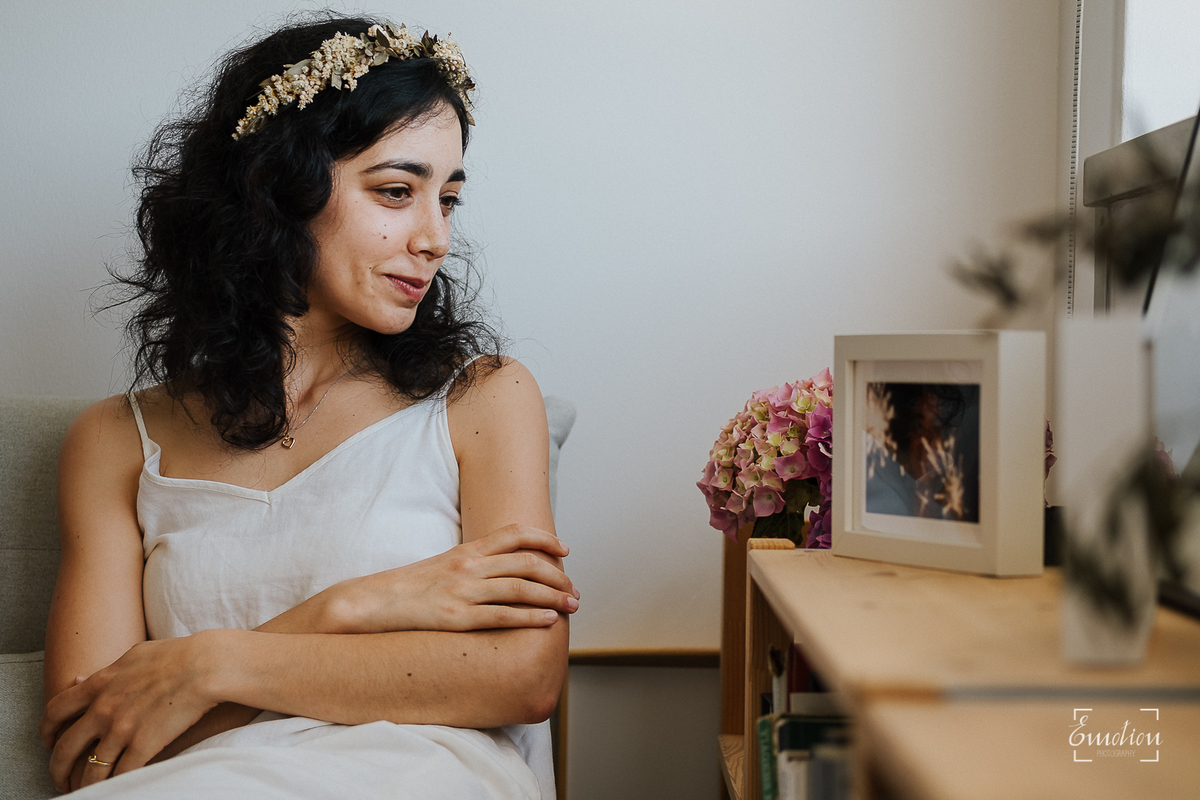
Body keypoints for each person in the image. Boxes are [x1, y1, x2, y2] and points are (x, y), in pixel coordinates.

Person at [38, 14, 577, 799]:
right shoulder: (116, 442)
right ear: (279, 193)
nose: (434, 237)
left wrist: (207, 666)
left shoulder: (484, 398)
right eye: (397, 192)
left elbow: (522, 677)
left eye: (448, 199)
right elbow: (87, 746)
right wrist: (364, 605)